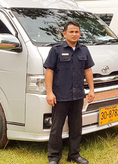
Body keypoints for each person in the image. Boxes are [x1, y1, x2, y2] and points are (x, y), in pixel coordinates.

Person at [44, 21, 95, 164]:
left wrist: (91, 90)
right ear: (64, 33)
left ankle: (74, 155)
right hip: (60, 95)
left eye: (77, 32)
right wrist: (50, 93)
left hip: (78, 95)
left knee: (76, 127)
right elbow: (49, 71)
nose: (74, 34)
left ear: (80, 33)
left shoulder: (84, 50)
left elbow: (88, 70)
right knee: (56, 128)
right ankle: (54, 157)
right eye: (71, 32)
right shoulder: (56, 50)